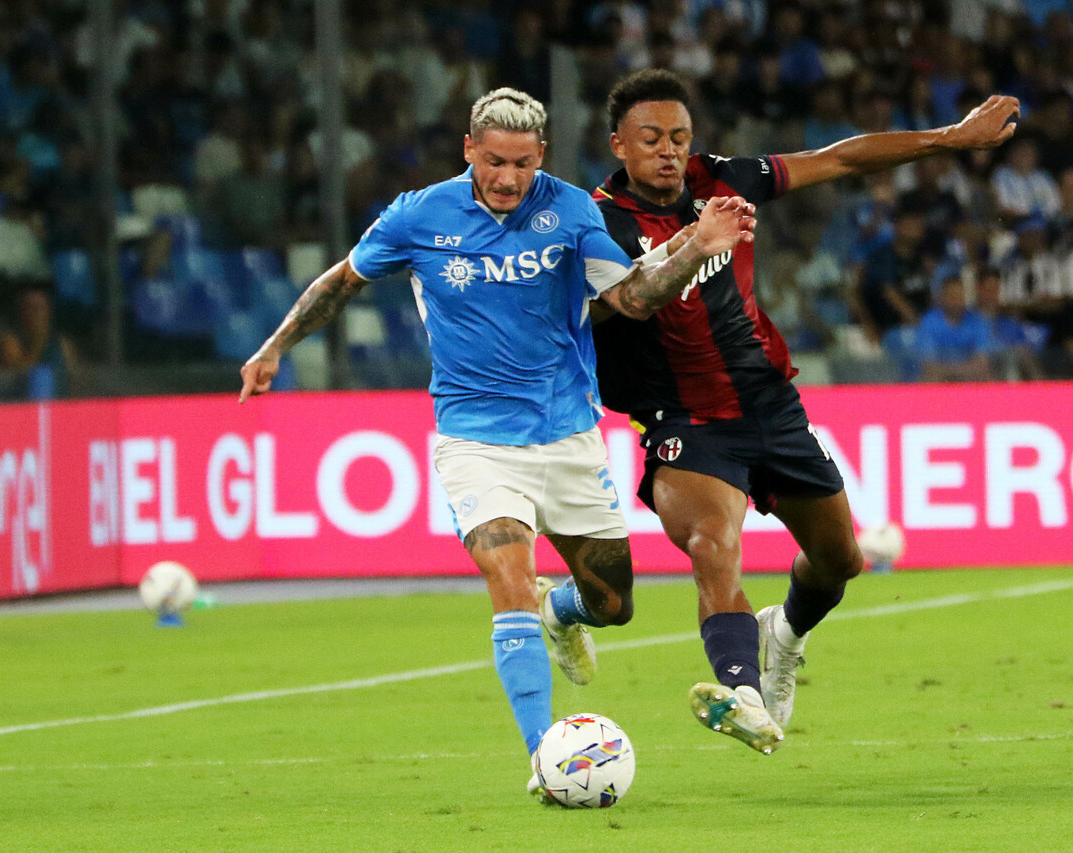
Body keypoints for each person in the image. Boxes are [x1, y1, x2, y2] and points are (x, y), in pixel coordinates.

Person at [237, 88, 755, 800]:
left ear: (540, 155)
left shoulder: (572, 211)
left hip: (568, 436)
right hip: (474, 441)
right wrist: (275, 346)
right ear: (469, 150)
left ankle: (561, 612)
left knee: (613, 603)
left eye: (521, 163)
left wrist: (694, 245)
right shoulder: (419, 214)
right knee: (508, 575)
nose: (507, 178)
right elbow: (344, 280)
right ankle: (545, 757)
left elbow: (632, 298)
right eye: (494, 162)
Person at [589, 69, 1018, 753]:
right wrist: (690, 246)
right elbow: (611, 307)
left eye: (678, 136)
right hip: (683, 418)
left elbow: (840, 158)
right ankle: (745, 696)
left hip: (769, 405)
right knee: (711, 545)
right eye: (651, 138)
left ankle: (784, 635)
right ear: (619, 144)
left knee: (839, 561)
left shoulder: (723, 180)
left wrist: (950, 137)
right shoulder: (597, 222)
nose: (668, 150)